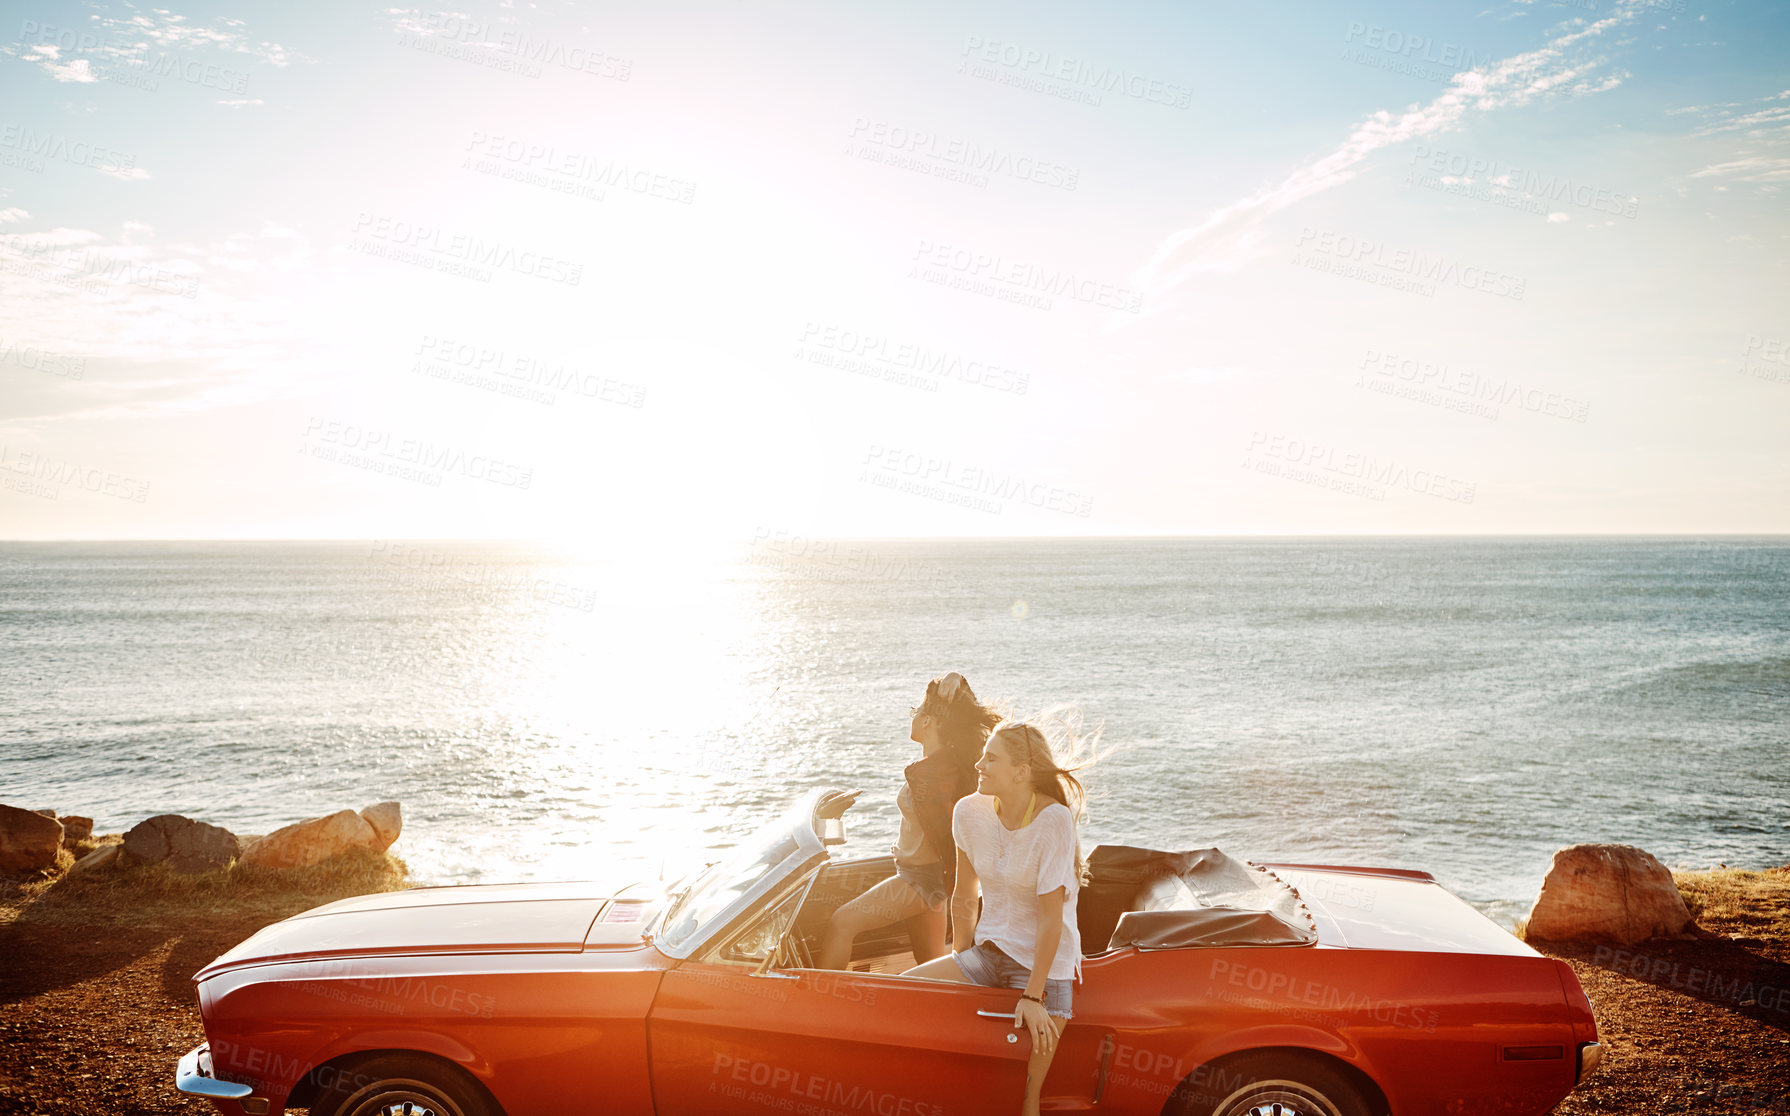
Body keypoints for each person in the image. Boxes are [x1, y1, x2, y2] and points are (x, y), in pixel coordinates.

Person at [903, 713, 1095, 1116]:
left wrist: (1032, 995)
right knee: (900, 995)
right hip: (988, 954)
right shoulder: (968, 812)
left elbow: (1050, 918)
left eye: (990, 759)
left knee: (1022, 1101)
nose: (978, 765)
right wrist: (961, 966)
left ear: (1021, 772)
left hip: (1043, 972)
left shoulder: (1054, 821)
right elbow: (964, 897)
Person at [816, 673, 1003, 971]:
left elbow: (954, 827)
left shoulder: (941, 773)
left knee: (842, 923)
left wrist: (957, 679)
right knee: (930, 967)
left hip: (920, 880)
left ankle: (821, 1007)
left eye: (916, 711)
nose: (912, 717)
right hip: (926, 878)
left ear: (928, 721)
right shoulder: (935, 768)